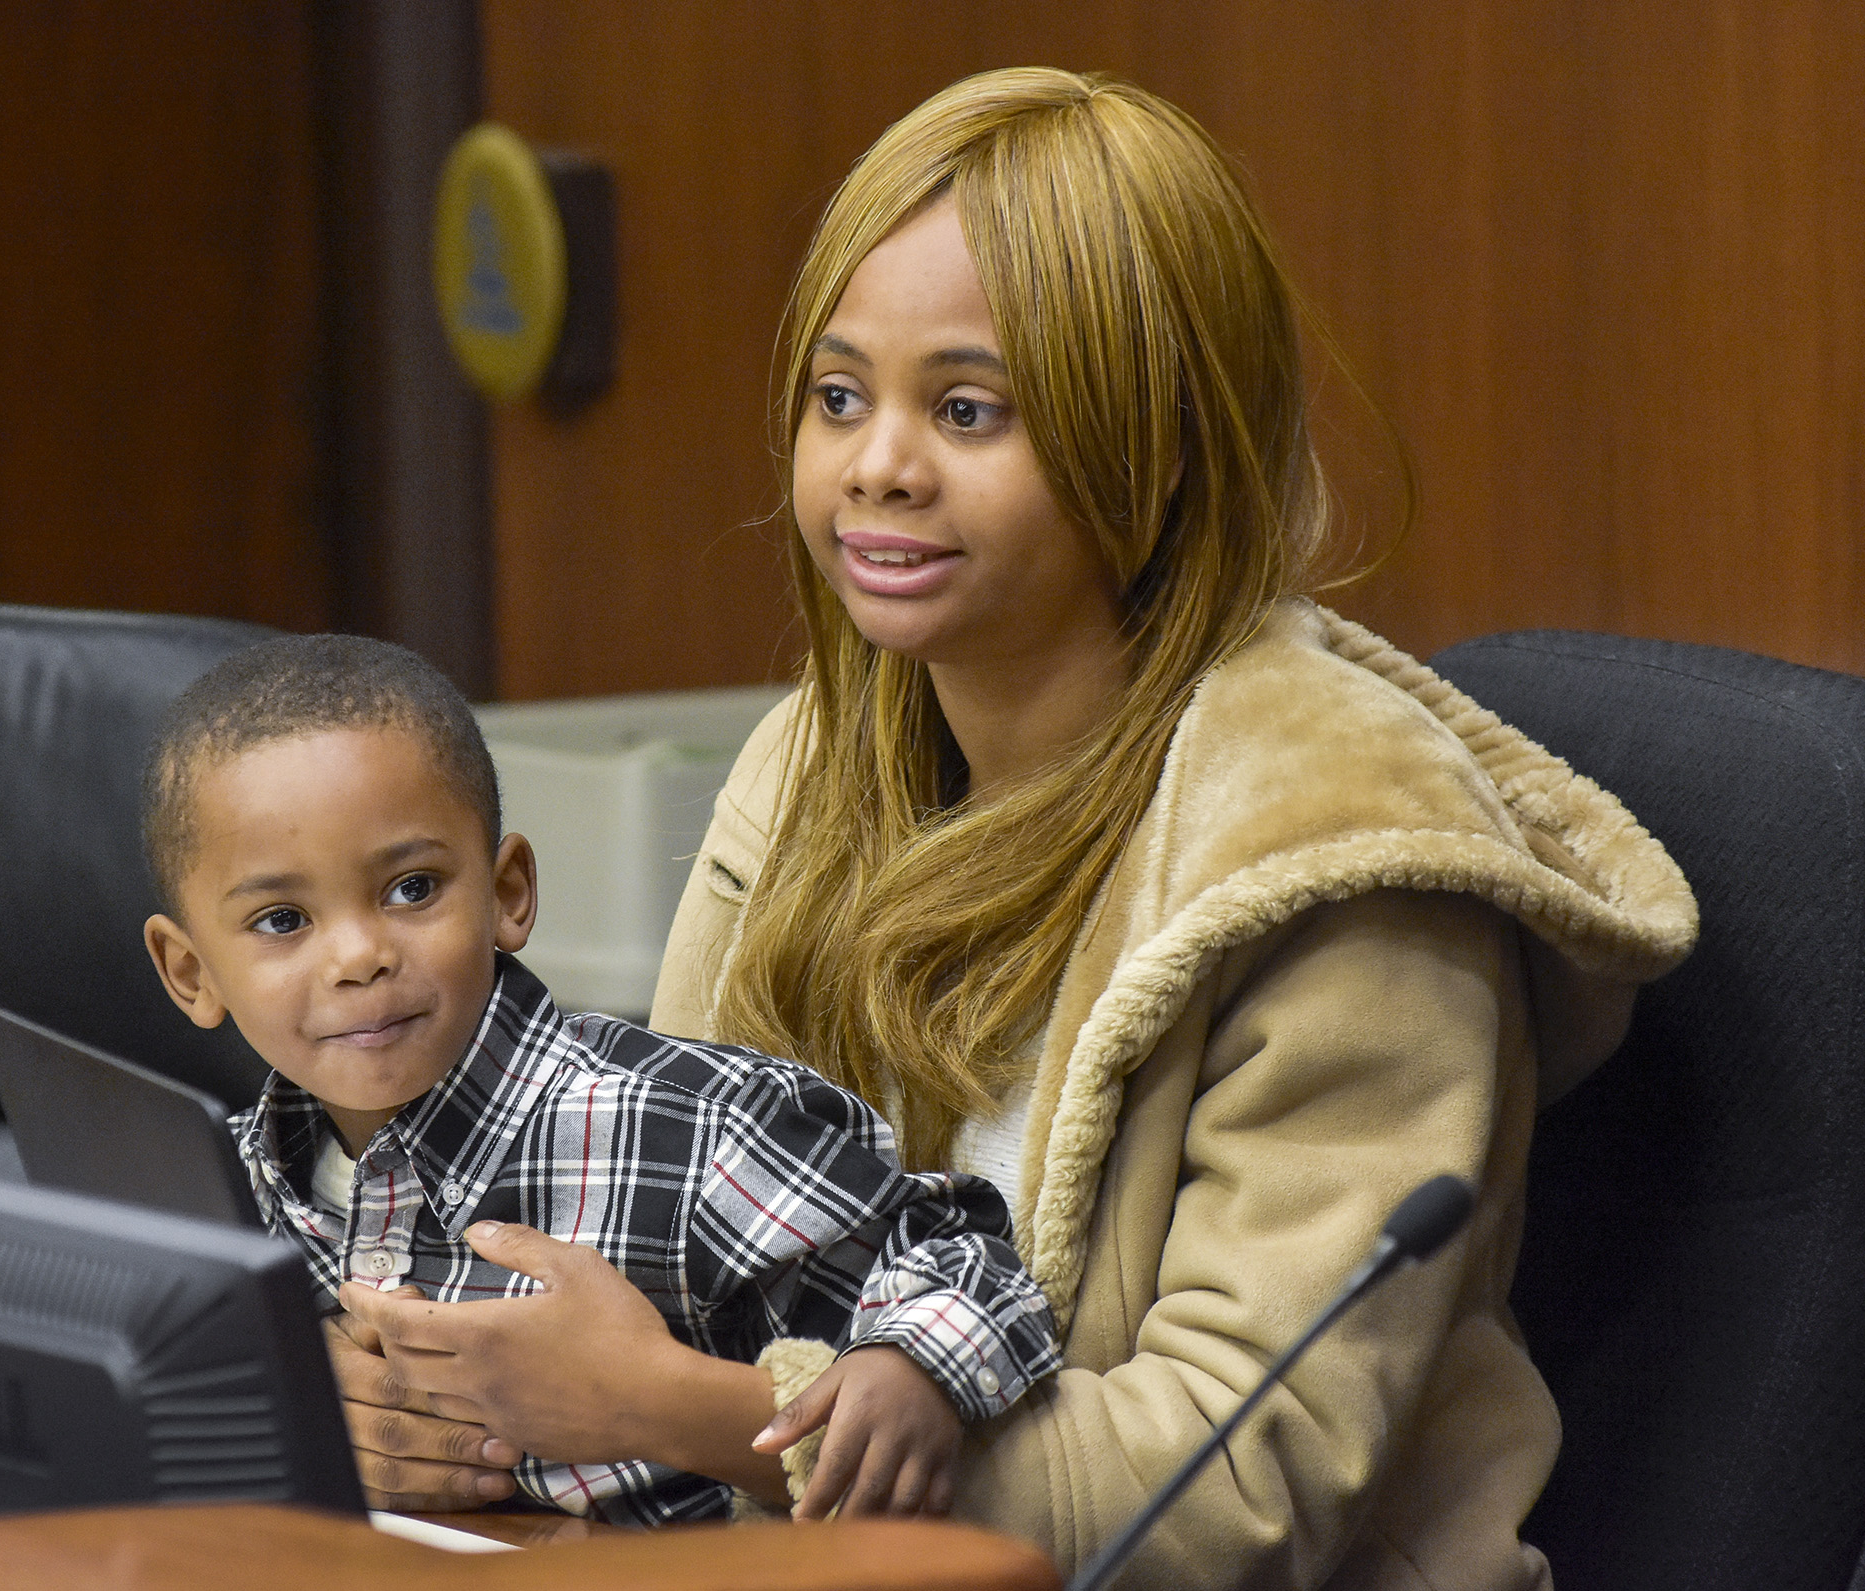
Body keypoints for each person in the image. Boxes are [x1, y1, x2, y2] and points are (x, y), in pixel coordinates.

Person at [324, 67, 1698, 1589]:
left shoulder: (1339, 869)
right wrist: (460, 1400)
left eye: (966, 409)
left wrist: (685, 1411)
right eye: (839, 396)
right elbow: (663, 1251)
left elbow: (1242, 1493)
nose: (877, 466)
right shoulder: (814, 760)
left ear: (1154, 448)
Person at [0, 634, 1061, 1526]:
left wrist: (907, 1374)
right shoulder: (213, 1194)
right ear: (188, 972)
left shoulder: (685, 1124)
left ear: (507, 894)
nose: (359, 954)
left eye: (411, 887)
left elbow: (959, 1253)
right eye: (280, 922)